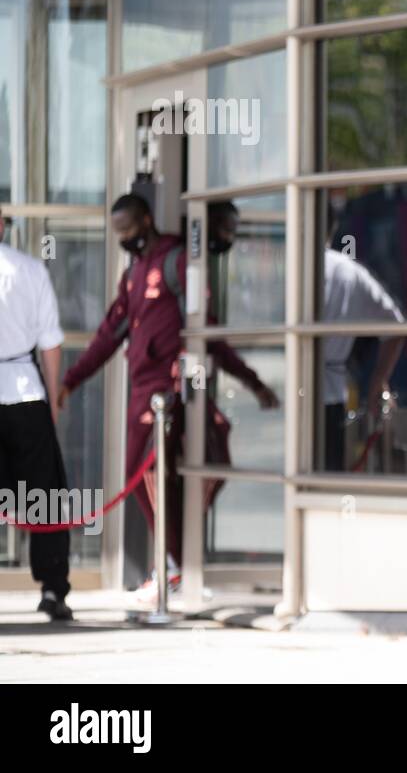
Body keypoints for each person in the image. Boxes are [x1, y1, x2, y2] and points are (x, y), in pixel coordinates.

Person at [58, 194, 279, 597]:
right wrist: (71, 380)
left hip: (172, 391)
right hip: (143, 391)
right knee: (143, 475)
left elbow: (207, 334)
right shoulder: (134, 272)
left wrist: (253, 382)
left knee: (199, 465)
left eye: (127, 228)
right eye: (117, 232)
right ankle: (176, 564)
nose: (124, 238)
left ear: (146, 219)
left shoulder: (176, 261)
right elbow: (109, 335)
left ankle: (179, 564)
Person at [0, 206, 74, 620]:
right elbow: (50, 343)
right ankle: (52, 589)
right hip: (25, 392)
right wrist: (52, 401)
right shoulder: (29, 270)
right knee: (43, 496)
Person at [320, 205, 406, 471]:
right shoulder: (348, 271)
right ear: (332, 229)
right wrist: (378, 381)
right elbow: (395, 325)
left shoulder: (291, 265)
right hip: (330, 396)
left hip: (294, 393)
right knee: (327, 477)